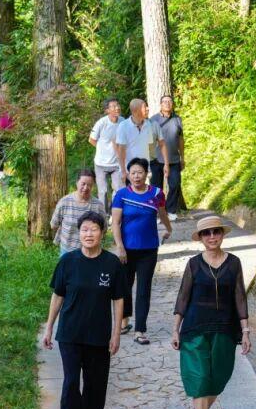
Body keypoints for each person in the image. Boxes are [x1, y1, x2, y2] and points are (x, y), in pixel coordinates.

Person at [43, 211, 129, 409]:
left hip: (99, 334)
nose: (88, 234)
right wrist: (50, 327)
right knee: (71, 382)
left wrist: (116, 333)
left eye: (93, 229)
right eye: (84, 230)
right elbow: (57, 295)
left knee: (96, 382)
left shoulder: (111, 263)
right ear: (78, 233)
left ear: (102, 233)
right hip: (69, 333)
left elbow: (119, 299)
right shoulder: (68, 262)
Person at [171, 215, 251, 409]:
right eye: (207, 234)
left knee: (219, 377)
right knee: (199, 377)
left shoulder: (234, 263)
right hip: (195, 328)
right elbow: (183, 297)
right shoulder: (194, 264)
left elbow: (240, 298)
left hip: (225, 329)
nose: (212, 237)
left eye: (216, 232)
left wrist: (245, 331)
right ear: (201, 238)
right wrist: (175, 328)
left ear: (222, 235)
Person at [111, 157, 173, 345]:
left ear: (147, 174)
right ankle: (124, 321)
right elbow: (115, 223)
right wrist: (120, 246)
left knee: (144, 289)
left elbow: (162, 214)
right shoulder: (121, 195)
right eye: (133, 173)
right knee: (125, 287)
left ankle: (140, 330)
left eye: (140, 172)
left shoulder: (157, 193)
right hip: (127, 250)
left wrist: (168, 229)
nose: (136, 176)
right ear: (128, 175)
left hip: (149, 250)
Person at [51, 169, 107, 255]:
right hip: (67, 250)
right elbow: (54, 225)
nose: (85, 188)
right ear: (77, 183)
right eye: (83, 184)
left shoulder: (98, 205)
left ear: (93, 186)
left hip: (91, 252)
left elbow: (104, 228)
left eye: (89, 185)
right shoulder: (65, 201)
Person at [115, 98, 168, 187]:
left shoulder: (149, 125)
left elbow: (152, 147)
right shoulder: (123, 126)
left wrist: (160, 165)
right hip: (131, 172)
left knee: (151, 198)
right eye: (144, 107)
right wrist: (123, 171)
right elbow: (121, 151)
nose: (147, 109)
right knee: (134, 199)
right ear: (136, 111)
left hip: (147, 170)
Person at [150, 95, 185, 220]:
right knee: (156, 188)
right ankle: (159, 213)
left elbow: (181, 139)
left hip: (174, 159)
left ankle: (171, 211)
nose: (167, 104)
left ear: (173, 104)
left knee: (175, 185)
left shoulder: (177, 119)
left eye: (170, 101)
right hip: (156, 160)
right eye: (164, 102)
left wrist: (183, 157)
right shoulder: (153, 120)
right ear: (160, 104)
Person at [89, 98, 124, 212]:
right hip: (101, 163)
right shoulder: (101, 123)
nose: (117, 107)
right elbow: (92, 139)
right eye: (113, 106)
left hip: (117, 163)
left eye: (117, 105)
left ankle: (114, 213)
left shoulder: (123, 122)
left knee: (118, 190)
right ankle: (104, 215)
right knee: (103, 191)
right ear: (107, 110)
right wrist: (102, 149)